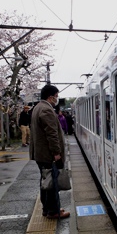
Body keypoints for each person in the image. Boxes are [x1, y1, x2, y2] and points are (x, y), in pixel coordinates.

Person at [29, 85, 70, 219]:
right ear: (50, 96)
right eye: (56, 96)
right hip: (48, 154)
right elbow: (52, 134)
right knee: (51, 183)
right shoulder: (46, 110)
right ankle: (54, 211)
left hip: (40, 153)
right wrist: (56, 152)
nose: (57, 99)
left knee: (45, 182)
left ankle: (47, 209)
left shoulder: (37, 108)